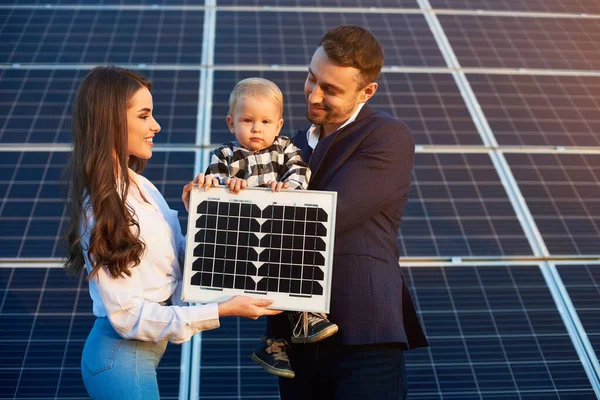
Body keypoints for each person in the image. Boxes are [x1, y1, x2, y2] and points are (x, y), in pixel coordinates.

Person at [62, 66, 281, 400]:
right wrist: (224, 309)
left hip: (137, 357)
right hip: (120, 358)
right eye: (144, 115)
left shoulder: (140, 187)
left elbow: (175, 263)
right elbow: (128, 316)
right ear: (110, 120)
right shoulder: (101, 206)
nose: (156, 126)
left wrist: (204, 212)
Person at [265, 25, 429, 400]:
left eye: (331, 90)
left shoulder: (387, 136)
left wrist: (249, 213)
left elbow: (328, 216)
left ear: (366, 91)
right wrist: (214, 198)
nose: (314, 95)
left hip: (364, 334)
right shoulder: (287, 147)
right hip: (295, 340)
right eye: (311, 78)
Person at [201, 77, 339, 379]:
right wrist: (228, 184)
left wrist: (288, 186)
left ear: (278, 125)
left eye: (265, 121)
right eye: (247, 120)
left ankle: (300, 321)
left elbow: (300, 170)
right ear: (231, 123)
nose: (256, 128)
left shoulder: (285, 148)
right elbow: (210, 187)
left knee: (295, 268)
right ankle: (274, 341)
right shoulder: (224, 156)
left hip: (280, 229)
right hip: (244, 235)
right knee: (262, 285)